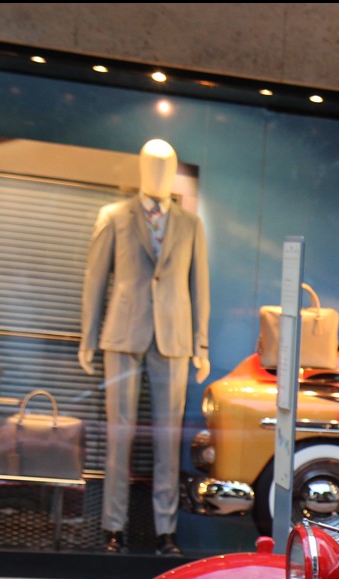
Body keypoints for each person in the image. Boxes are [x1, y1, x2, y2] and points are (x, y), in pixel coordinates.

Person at [78, 138, 209, 555]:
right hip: (123, 334)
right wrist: (87, 337)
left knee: (168, 441)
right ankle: (112, 528)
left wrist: (200, 343)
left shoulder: (190, 225)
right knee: (119, 437)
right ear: (139, 169)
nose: (158, 172)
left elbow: (200, 287)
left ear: (173, 171)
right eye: (151, 165)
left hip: (173, 340)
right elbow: (95, 280)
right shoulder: (114, 216)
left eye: (165, 165)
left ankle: (164, 533)